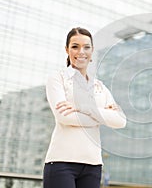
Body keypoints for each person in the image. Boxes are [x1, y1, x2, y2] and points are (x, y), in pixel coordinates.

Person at [43, 27, 126, 188]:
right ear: (67, 49)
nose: (81, 51)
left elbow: (120, 120)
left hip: (93, 166)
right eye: (75, 46)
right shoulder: (58, 78)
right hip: (61, 163)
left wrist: (83, 107)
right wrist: (101, 117)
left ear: (92, 51)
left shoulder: (99, 86)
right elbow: (64, 117)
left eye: (86, 47)